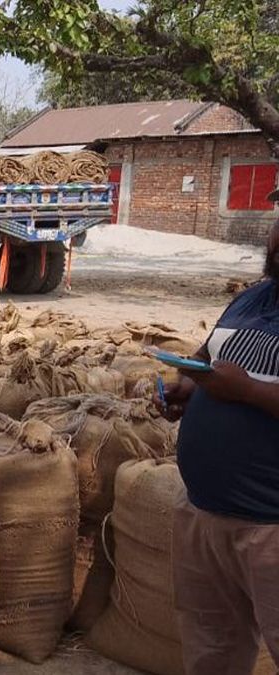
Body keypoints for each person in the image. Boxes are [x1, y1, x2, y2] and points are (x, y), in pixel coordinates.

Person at [157, 203, 279, 673]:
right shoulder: (252, 297)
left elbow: (241, 381)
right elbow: (208, 354)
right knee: (213, 649)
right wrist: (187, 389)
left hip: (270, 525)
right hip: (205, 513)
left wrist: (246, 390)